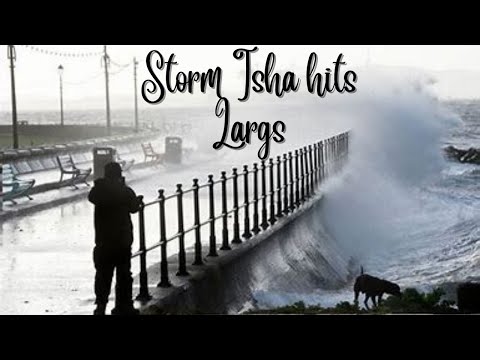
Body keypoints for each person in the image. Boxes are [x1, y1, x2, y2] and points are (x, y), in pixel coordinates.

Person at [88, 162, 143, 315]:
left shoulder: (98, 191)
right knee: (124, 274)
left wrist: (101, 184)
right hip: (122, 240)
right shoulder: (124, 191)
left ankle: (100, 306)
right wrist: (138, 201)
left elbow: (92, 197)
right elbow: (133, 208)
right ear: (119, 175)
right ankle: (124, 306)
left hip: (103, 240)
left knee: (103, 275)